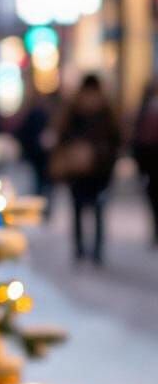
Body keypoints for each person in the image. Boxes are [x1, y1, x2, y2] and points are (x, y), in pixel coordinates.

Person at [51, 74, 120, 265]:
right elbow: (116, 140)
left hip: (90, 170)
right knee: (91, 211)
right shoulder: (104, 110)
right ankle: (90, 250)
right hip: (90, 170)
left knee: (86, 211)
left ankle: (86, 250)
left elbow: (62, 136)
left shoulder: (77, 109)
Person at [133, 81, 158, 247]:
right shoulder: (146, 112)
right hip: (151, 162)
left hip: (150, 164)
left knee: (154, 200)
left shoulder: (146, 111)